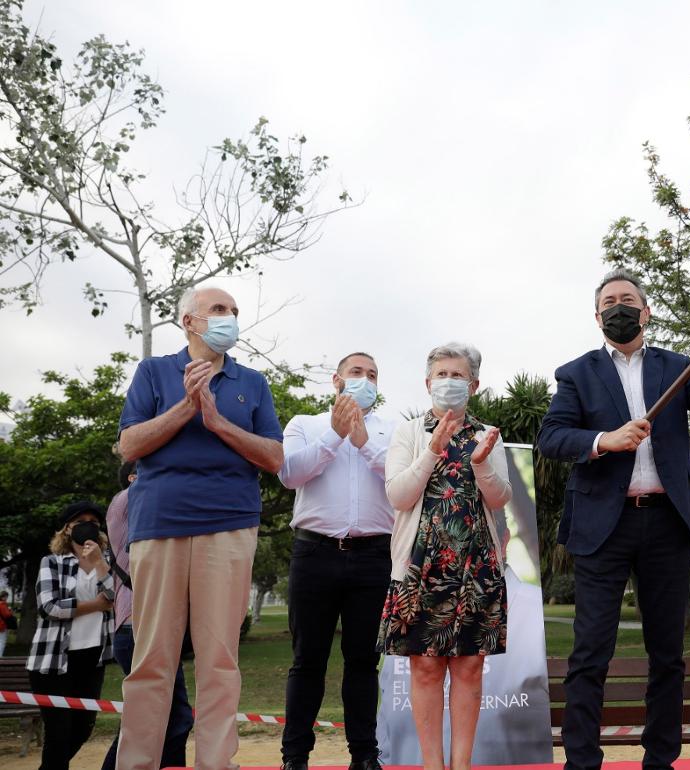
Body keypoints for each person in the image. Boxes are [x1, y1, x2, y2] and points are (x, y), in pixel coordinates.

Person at [537, 268, 690, 770]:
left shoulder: (677, 366)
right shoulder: (577, 373)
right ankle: (582, 762)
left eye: (627, 299)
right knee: (590, 652)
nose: (619, 307)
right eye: (609, 301)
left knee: (667, 654)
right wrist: (603, 440)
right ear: (597, 317)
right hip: (602, 528)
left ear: (646, 310)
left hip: (666, 524)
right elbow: (552, 436)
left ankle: (660, 760)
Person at [117, 285, 284, 770]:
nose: (229, 317)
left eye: (234, 310)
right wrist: (185, 408)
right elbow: (129, 444)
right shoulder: (154, 372)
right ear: (189, 321)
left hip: (229, 527)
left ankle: (216, 763)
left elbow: (274, 457)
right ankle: (137, 763)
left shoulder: (252, 382)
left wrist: (217, 421)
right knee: (152, 659)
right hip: (159, 525)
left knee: (219, 659)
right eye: (218, 309)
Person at [380, 343, 512, 770]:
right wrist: (432, 449)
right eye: (441, 374)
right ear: (427, 382)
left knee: (470, 667)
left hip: (477, 567)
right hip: (421, 568)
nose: (449, 382)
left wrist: (481, 465)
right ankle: (432, 765)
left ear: (474, 384)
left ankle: (462, 765)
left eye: (458, 375)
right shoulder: (409, 432)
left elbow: (500, 499)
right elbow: (399, 495)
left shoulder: (488, 434)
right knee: (426, 669)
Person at [277, 352, 393, 770]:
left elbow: (400, 479)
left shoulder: (392, 429)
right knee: (308, 660)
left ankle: (364, 756)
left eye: (373, 375)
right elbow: (289, 474)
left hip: (374, 556)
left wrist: (362, 441)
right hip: (314, 552)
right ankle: (295, 757)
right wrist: (334, 434)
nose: (365, 380)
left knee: (363, 662)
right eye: (357, 372)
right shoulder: (304, 424)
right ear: (337, 380)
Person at [102, 462, 193, 770]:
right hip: (137, 628)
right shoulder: (126, 500)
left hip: (147, 628)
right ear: (133, 477)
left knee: (149, 719)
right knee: (171, 718)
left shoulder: (143, 510)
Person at [26, 501, 115, 770]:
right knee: (59, 732)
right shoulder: (52, 562)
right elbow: (49, 607)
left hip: (92, 658)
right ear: (67, 529)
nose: (88, 525)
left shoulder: (108, 562)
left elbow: (119, 597)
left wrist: (100, 563)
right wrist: (96, 606)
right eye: (81, 521)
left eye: (94, 521)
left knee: (83, 729)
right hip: (53, 661)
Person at [0, 589, 16, 657]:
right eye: (6, 597)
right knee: (2, 641)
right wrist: (11, 612)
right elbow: (7, 615)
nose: (6, 598)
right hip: (2, 625)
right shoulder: (2, 604)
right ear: (3, 597)